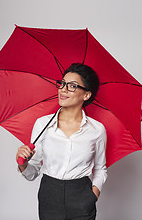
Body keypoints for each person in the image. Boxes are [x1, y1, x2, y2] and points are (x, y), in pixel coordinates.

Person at [16, 63, 108, 220]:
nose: (63, 89)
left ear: (86, 95)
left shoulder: (97, 130)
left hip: (82, 195)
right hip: (49, 195)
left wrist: (93, 194)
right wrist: (23, 164)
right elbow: (33, 174)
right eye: (62, 83)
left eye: (72, 86)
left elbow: (100, 168)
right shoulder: (42, 124)